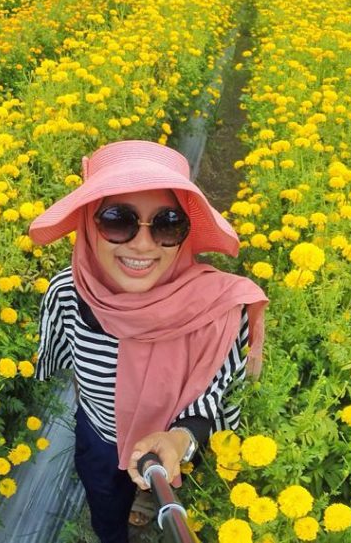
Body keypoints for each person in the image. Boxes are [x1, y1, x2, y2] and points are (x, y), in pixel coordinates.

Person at [29, 140, 268, 543]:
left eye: (167, 223)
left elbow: (213, 398)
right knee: (105, 509)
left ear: (185, 232)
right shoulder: (66, 293)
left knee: (159, 487)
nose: (142, 245)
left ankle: (144, 495)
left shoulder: (219, 309)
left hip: (173, 449)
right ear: (87, 222)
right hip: (98, 438)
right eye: (117, 220)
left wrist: (176, 441)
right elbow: (70, 369)